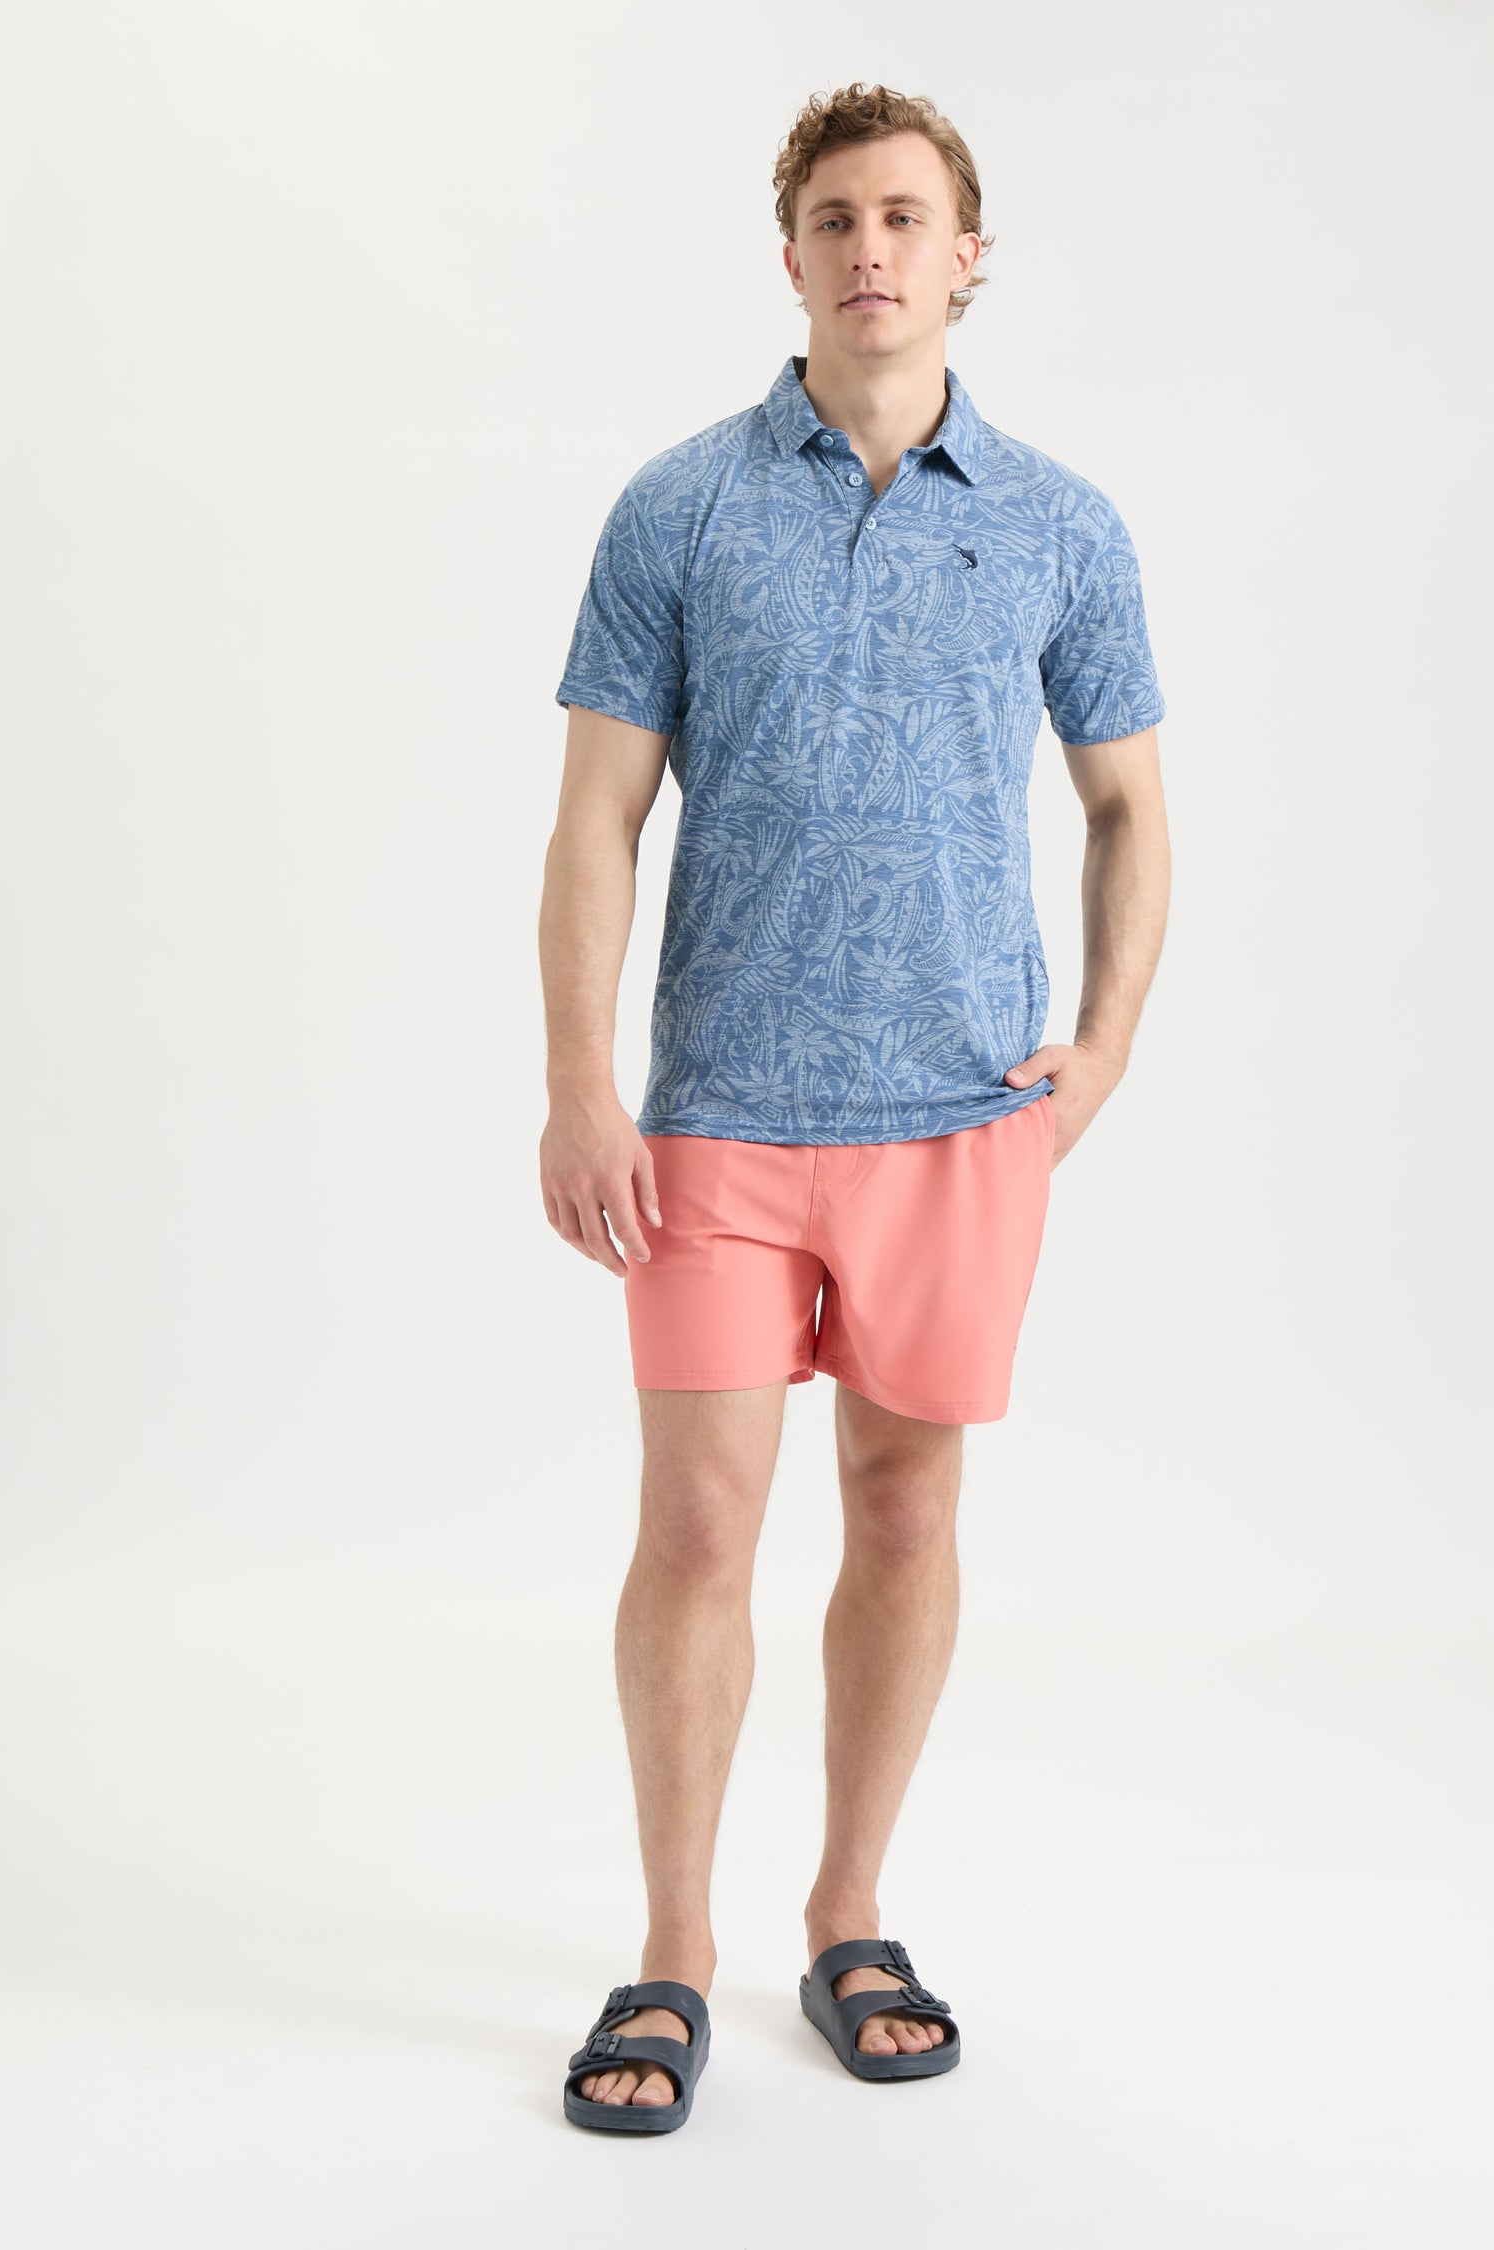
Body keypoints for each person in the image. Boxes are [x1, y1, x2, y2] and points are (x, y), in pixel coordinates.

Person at [542, 81, 1171, 2132]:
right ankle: (672, 1947)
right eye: (835, 216)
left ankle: (848, 1912)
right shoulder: (681, 508)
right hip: (721, 1112)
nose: (871, 247)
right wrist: (579, 1082)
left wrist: (1105, 1042)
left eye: (907, 215)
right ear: (792, 254)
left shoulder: (1061, 523)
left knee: (906, 1509)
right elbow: (597, 819)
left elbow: (1128, 805)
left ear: (967, 256)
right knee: (697, 1520)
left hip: (957, 1115)